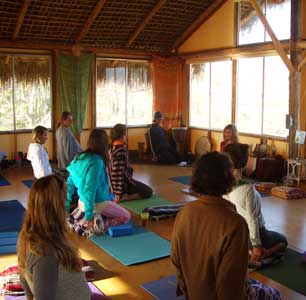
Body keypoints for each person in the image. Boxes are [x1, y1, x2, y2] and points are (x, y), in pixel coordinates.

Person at [171, 151, 281, 300]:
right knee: (274, 294)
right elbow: (230, 284)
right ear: (228, 179)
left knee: (253, 282)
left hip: (192, 292)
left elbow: (176, 260)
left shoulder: (185, 212)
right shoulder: (235, 223)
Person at [17, 175, 91, 300]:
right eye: (64, 197)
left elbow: (22, 274)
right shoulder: (46, 253)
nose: (68, 202)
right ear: (56, 207)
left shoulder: (26, 235)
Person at [224, 143, 288, 264]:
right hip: (249, 235)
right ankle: (262, 254)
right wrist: (256, 246)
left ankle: (244, 252)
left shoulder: (222, 183)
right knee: (283, 240)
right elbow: (252, 219)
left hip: (231, 236)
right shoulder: (248, 189)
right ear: (244, 162)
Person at [66, 128, 131, 237]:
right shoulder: (97, 161)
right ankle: (96, 226)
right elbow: (89, 189)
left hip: (81, 203)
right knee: (126, 216)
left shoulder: (80, 157)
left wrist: (66, 205)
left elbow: (69, 184)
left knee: (110, 201)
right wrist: (89, 216)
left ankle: (85, 218)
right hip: (96, 204)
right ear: (104, 144)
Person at [109, 123, 153, 202]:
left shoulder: (111, 147)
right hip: (122, 185)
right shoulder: (121, 150)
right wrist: (118, 193)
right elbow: (116, 173)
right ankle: (123, 197)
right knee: (148, 191)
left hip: (111, 185)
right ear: (123, 135)